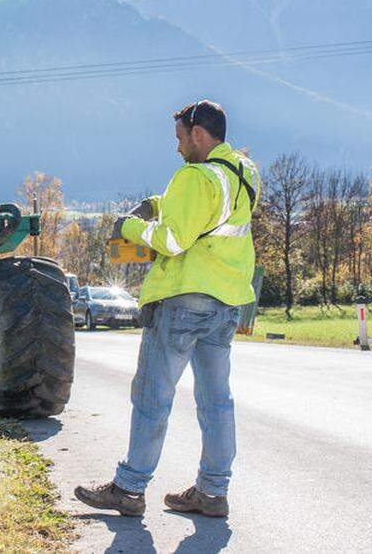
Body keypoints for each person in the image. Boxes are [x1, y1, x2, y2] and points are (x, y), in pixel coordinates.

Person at [74, 100, 259, 519]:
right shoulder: (244, 173)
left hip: (184, 300)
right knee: (217, 401)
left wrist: (132, 226)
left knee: (152, 395)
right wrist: (159, 202)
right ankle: (212, 493)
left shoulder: (194, 176)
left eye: (179, 138)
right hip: (226, 301)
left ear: (197, 133)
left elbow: (174, 240)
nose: (177, 148)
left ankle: (130, 487)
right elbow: (209, 208)